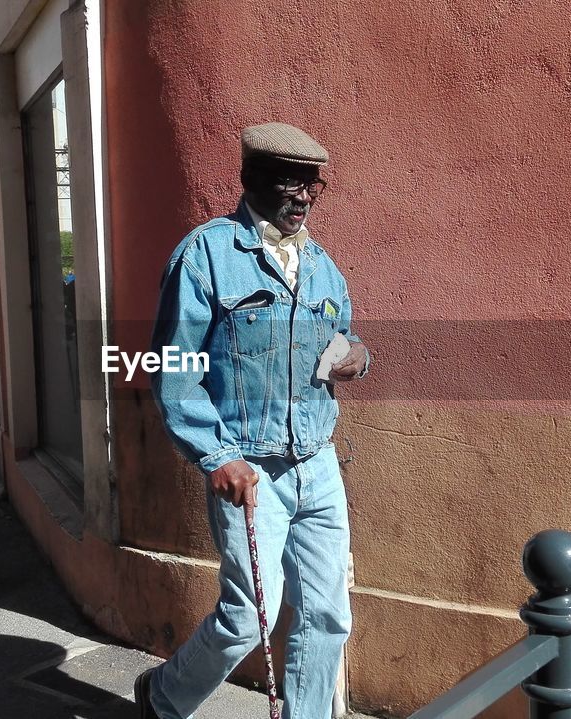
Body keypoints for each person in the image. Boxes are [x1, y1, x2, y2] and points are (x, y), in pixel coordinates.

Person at [138, 122, 371, 719]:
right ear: (250, 180)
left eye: (311, 186)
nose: (301, 198)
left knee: (327, 616)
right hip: (251, 470)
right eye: (288, 183)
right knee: (248, 619)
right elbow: (174, 366)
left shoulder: (322, 267)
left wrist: (357, 357)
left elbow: (343, 336)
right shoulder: (206, 256)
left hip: (317, 465)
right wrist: (216, 456)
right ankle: (163, 697)